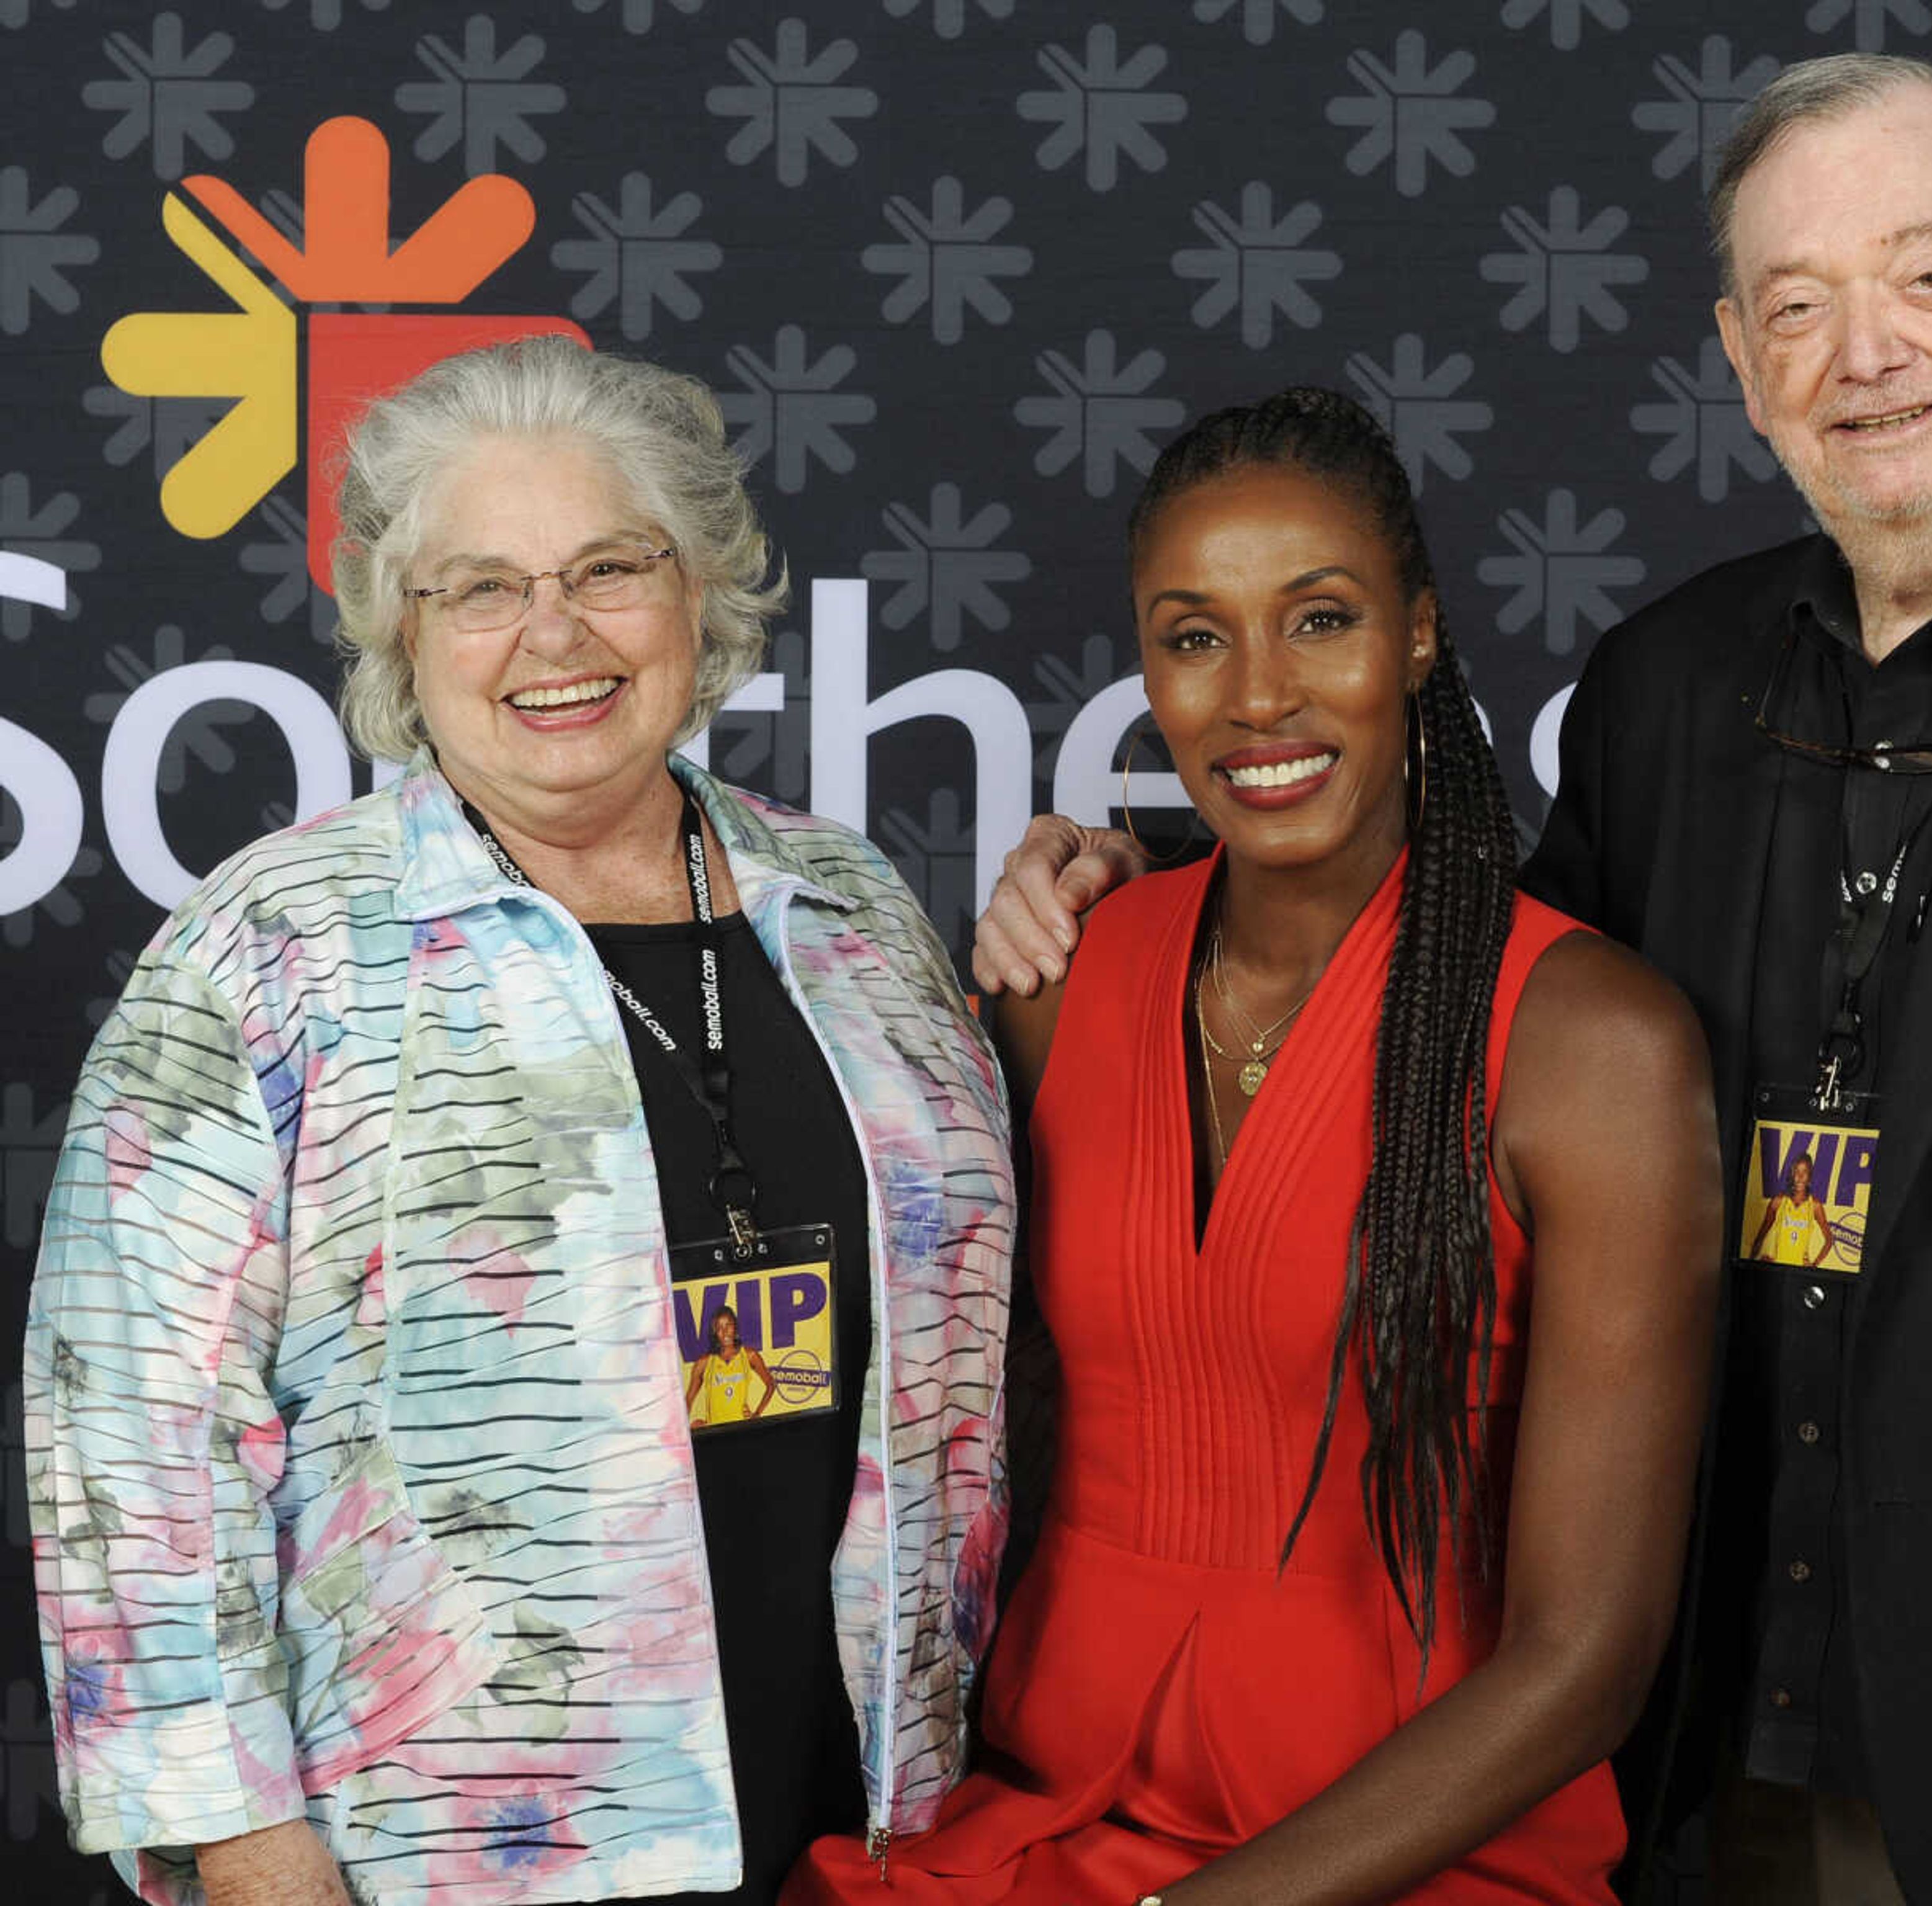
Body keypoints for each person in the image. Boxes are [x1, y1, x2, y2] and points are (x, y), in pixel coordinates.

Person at [969, 55, 1932, 1906]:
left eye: (1924, 281)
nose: (1860, 352)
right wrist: (1139, 879)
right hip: (1706, 1743)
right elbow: (1448, 997)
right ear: (1737, 357)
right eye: (1797, 306)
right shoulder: (1667, 685)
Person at [22, 338, 1014, 1906]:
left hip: (867, 1817)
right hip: (450, 1850)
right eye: (480, 587)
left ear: (697, 596)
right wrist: (245, 1848)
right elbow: (128, 1447)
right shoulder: (264, 953)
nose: (552, 633)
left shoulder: (850, 909)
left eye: (609, 566)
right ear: (401, 638)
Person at [797, 388, 1720, 1904]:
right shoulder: (1064, 979)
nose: (1259, 696)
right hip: (1046, 1821)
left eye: (1321, 619)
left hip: (1415, 1855)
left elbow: (1585, 1659)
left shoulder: (1591, 1046)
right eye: (1196, 635)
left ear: (1416, 636)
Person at [687, 1304, 780, 1426]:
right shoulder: (704, 1363)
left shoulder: (749, 1356)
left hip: (742, 1429)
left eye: (728, 1325)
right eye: (719, 1327)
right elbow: (688, 1401)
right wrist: (688, 1427)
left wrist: (757, 1415)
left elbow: (771, 1385)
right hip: (714, 1432)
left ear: (735, 1327)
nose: (725, 1332)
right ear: (715, 1331)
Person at [1746, 1155, 1833, 1269]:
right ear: (1792, 1174)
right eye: (1797, 1171)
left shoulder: (1815, 1206)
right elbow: (1761, 1236)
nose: (1800, 1177)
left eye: (1805, 1172)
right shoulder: (1779, 1201)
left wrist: (1814, 1266)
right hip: (1778, 1270)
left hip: (1800, 1272)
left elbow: (1829, 1240)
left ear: (1810, 1175)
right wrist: (1752, 1262)